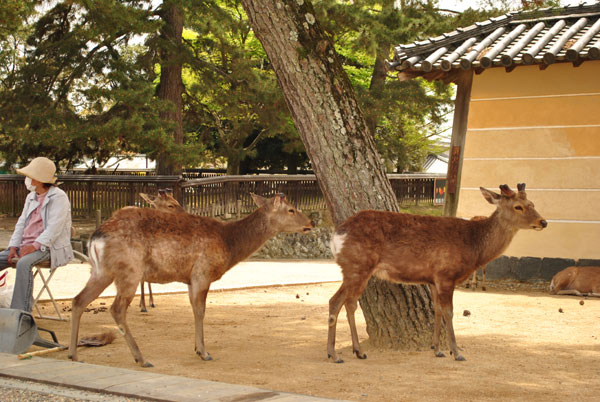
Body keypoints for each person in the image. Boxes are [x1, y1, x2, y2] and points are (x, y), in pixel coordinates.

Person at [0, 157, 73, 312]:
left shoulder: (59, 197)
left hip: (47, 248)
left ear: (39, 179)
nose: (27, 179)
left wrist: (34, 246)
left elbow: (54, 228)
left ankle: (21, 312)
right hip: (25, 246)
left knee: (23, 263)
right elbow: (21, 223)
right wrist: (13, 246)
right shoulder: (31, 196)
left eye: (30, 176)